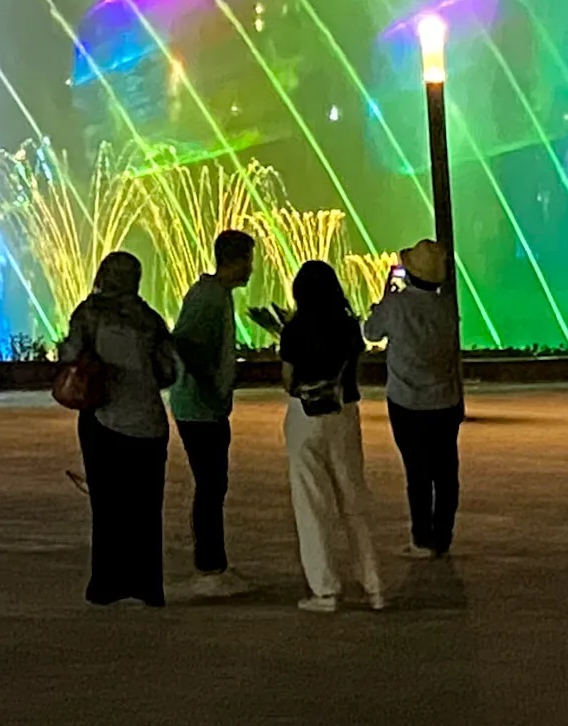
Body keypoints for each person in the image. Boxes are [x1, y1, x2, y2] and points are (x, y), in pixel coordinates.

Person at [259, 259, 382, 613]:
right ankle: (374, 586)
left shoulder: (295, 329)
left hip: (305, 416)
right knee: (353, 497)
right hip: (344, 413)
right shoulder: (347, 326)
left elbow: (288, 380)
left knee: (311, 503)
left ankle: (325, 590)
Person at [64, 249, 183, 608]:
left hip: (105, 419)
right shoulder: (149, 318)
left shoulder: (90, 313)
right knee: (147, 507)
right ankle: (149, 585)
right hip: (149, 423)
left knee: (108, 505)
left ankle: (107, 583)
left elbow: (70, 354)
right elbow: (169, 371)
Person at [165, 228, 254, 600]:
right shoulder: (209, 297)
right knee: (210, 485)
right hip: (199, 410)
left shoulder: (216, 295)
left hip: (204, 406)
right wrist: (210, 388)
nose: (251, 269)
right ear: (234, 261)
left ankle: (214, 563)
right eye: (249, 260)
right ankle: (208, 567)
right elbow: (185, 343)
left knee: (214, 485)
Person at [369, 239, 464, 557]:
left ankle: (421, 539)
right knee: (446, 472)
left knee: (418, 472)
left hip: (407, 401)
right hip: (446, 400)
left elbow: (371, 332)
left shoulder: (397, 305)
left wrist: (385, 298)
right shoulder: (447, 306)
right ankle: (443, 537)